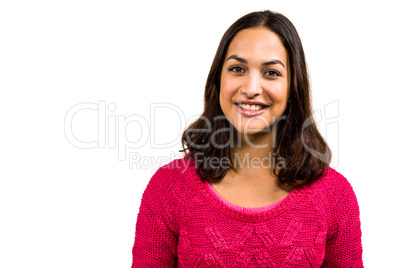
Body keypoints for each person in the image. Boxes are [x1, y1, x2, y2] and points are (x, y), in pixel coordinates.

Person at [131, 10, 363, 267]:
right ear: (218, 80)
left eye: (271, 73)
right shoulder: (169, 188)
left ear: (292, 87)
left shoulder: (334, 195)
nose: (251, 88)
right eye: (237, 69)